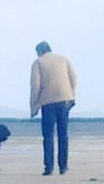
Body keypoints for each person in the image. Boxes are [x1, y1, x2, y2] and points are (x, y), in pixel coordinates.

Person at [29, 41, 77, 175]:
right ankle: (63, 166)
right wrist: (71, 95)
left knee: (48, 135)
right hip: (65, 100)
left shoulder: (38, 62)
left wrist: (34, 105)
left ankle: (49, 167)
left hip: (48, 102)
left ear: (39, 51)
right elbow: (74, 78)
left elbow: (35, 85)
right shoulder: (63, 59)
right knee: (63, 135)